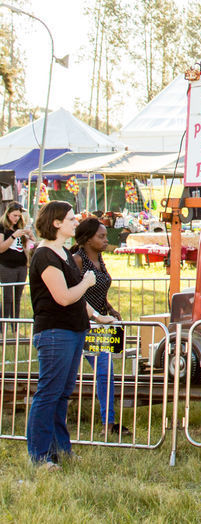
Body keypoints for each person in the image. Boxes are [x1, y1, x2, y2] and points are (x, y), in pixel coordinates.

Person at [26, 201, 111, 468]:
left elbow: (76, 298)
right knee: (49, 393)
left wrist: (97, 315)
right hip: (54, 332)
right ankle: (40, 456)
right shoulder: (45, 255)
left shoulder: (62, 252)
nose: (76, 222)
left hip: (74, 330)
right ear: (56, 223)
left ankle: (61, 450)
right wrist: (86, 282)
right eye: (71, 218)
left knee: (62, 394)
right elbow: (63, 297)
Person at [70, 217, 126, 436]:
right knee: (97, 370)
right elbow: (76, 293)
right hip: (83, 323)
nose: (105, 240)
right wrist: (93, 314)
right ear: (87, 239)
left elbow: (98, 289)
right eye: (101, 236)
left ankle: (108, 423)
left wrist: (109, 308)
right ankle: (105, 422)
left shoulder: (100, 260)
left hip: (101, 323)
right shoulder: (77, 261)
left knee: (106, 371)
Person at [0, 202, 32, 320]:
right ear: (8, 214)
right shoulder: (2, 226)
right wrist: (13, 236)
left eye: (19, 216)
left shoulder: (19, 226)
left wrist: (30, 238)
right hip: (7, 266)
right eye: (14, 215)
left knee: (17, 299)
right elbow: (1, 248)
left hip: (21, 265)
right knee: (8, 298)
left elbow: (27, 247)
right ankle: (3, 326)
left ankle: (15, 328)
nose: (17, 218)